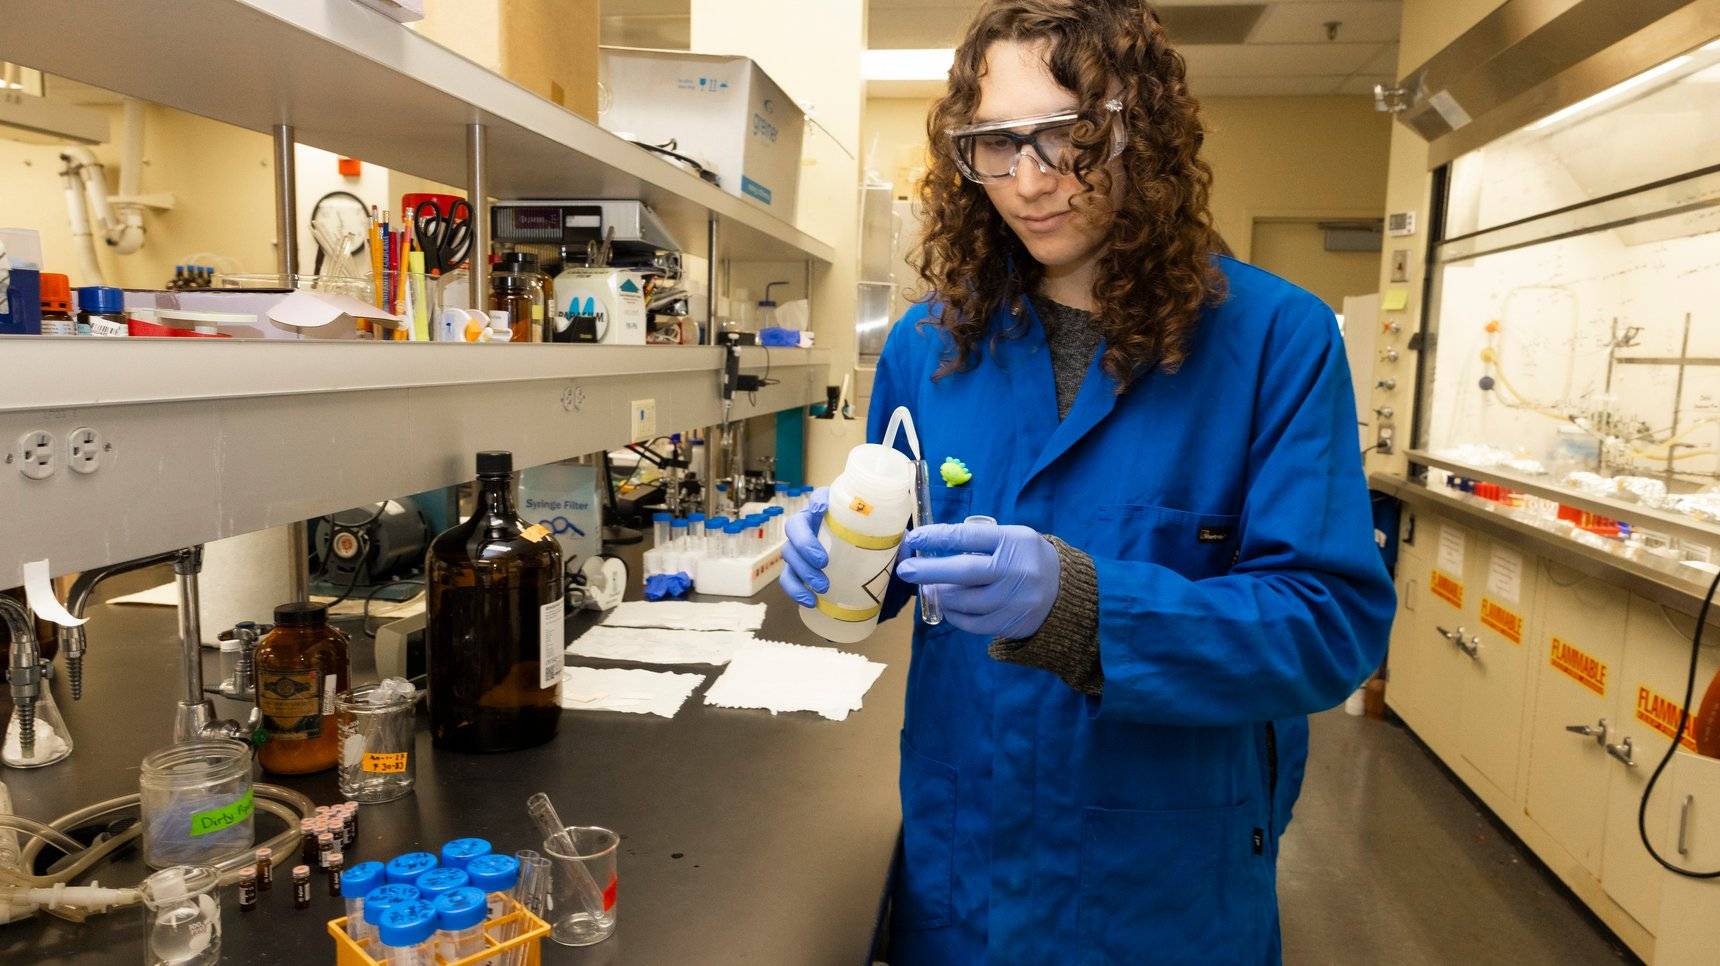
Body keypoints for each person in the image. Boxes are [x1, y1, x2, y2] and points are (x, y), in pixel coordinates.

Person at [780, 1, 1394, 962]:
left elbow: (1329, 625)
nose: (1030, 182)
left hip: (1160, 881)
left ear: (1139, 129)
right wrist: (846, 553)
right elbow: (902, 561)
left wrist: (1081, 605)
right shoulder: (927, 346)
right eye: (994, 145)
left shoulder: (1280, 340)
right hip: (967, 856)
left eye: (1069, 137)